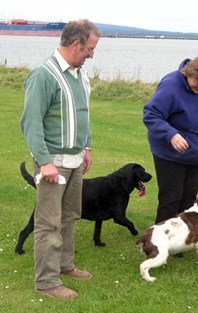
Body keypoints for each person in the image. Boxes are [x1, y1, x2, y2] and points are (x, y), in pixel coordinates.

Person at [20, 19, 101, 300]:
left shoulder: (80, 74)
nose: (92, 54)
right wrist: (44, 162)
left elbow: (83, 115)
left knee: (69, 217)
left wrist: (87, 148)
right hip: (53, 161)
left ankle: (65, 265)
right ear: (76, 44)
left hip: (76, 160)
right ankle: (46, 281)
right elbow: (31, 123)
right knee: (49, 223)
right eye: (90, 48)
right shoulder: (44, 75)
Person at [143, 55, 198, 226]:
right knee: (171, 198)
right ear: (189, 73)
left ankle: (182, 237)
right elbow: (151, 114)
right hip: (169, 154)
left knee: (189, 197)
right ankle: (159, 240)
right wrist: (171, 134)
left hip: (195, 154)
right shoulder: (171, 85)